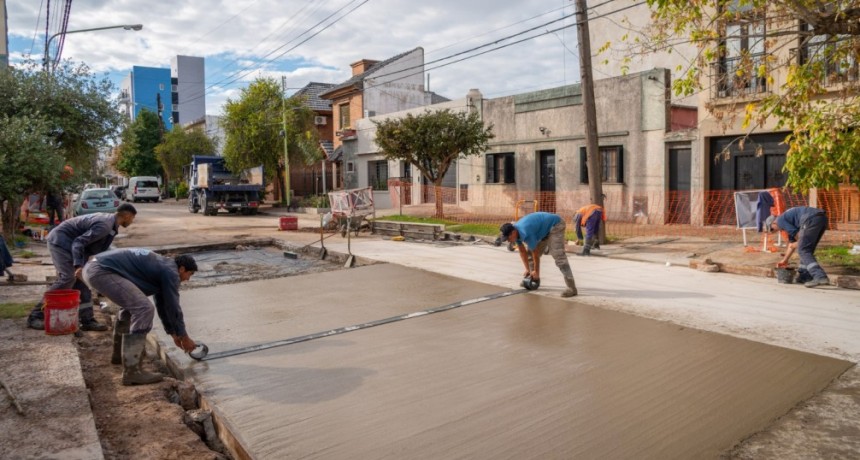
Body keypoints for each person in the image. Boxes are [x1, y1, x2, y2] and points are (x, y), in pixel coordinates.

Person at [82, 248, 199, 385]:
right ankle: (132, 372)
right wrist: (184, 336)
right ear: (182, 268)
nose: (188, 279)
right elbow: (173, 307)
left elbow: (162, 305)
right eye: (189, 274)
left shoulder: (163, 266)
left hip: (93, 268)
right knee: (144, 308)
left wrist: (173, 333)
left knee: (131, 308)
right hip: (101, 271)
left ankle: (119, 356)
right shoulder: (171, 272)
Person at [26, 203, 138, 331]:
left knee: (84, 280)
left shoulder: (110, 224)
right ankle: (35, 315)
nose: (132, 221)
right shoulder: (105, 225)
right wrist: (78, 265)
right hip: (61, 243)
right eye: (132, 218)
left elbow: (98, 247)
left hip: (74, 247)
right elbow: (78, 242)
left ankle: (87, 320)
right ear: (127, 215)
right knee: (68, 278)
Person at [500, 211, 577, 297]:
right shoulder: (516, 232)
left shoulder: (526, 232)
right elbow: (522, 252)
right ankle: (533, 280)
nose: (508, 241)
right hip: (543, 230)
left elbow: (535, 254)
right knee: (530, 256)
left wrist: (536, 271)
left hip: (556, 225)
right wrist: (527, 270)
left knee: (558, 256)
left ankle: (572, 288)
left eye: (508, 238)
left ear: (513, 232)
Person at [765, 206, 829, 288]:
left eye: (772, 229)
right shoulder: (788, 220)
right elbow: (792, 243)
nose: (777, 231)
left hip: (810, 219)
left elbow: (797, 237)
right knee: (807, 249)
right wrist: (785, 260)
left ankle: (820, 276)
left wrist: (799, 243)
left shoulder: (780, 220)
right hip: (821, 218)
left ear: (774, 223)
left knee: (803, 250)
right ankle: (804, 276)